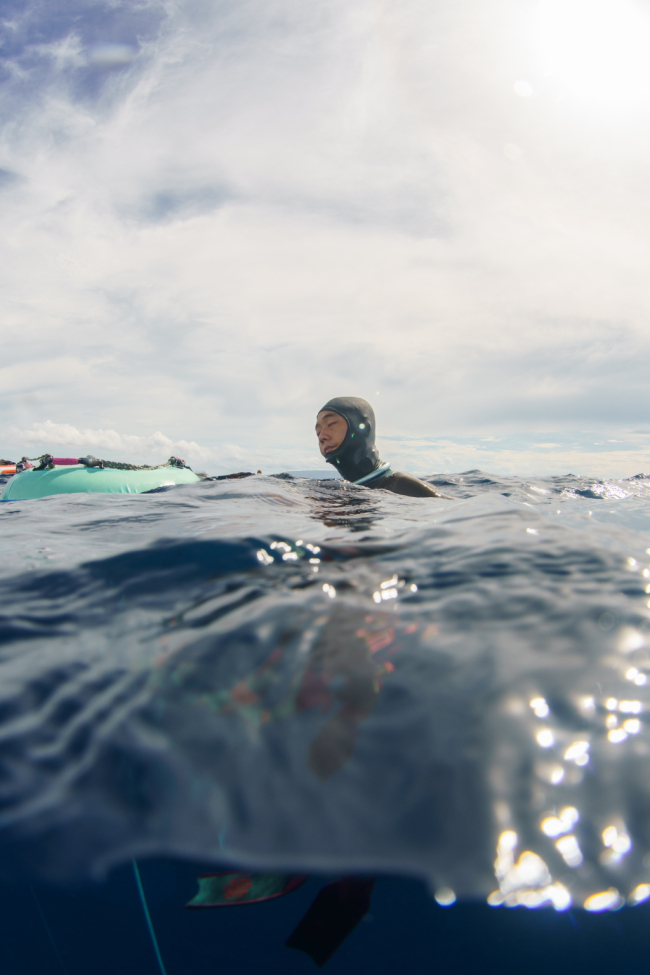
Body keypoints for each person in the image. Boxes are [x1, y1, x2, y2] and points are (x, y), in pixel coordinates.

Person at [315, 396, 450, 498]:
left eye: (331, 424)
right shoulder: (339, 492)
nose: (322, 436)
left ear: (363, 427)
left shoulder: (400, 485)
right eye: (318, 432)